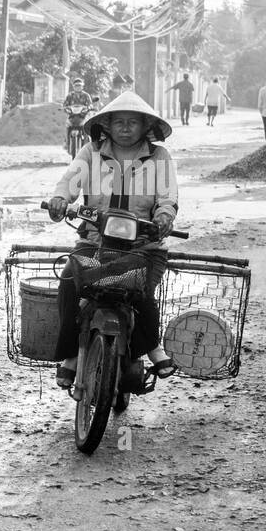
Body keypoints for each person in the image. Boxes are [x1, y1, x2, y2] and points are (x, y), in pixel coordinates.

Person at [45, 91, 179, 388]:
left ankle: (152, 347)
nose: (126, 127)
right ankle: (71, 354)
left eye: (133, 122)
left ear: (146, 126)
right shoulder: (91, 152)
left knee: (139, 287)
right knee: (69, 281)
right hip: (95, 242)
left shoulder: (159, 156)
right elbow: (69, 181)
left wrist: (164, 217)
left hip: (144, 246)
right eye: (119, 122)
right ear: (106, 124)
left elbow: (168, 196)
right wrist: (59, 199)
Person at [63, 78, 94, 148]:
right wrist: (65, 109)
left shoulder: (86, 95)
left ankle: (87, 145)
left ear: (82, 86)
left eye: (79, 86)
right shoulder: (70, 96)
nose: (78, 87)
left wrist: (89, 108)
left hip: (83, 116)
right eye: (76, 86)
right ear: (73, 87)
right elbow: (65, 105)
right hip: (72, 116)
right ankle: (66, 143)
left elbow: (90, 104)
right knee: (67, 126)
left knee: (87, 127)